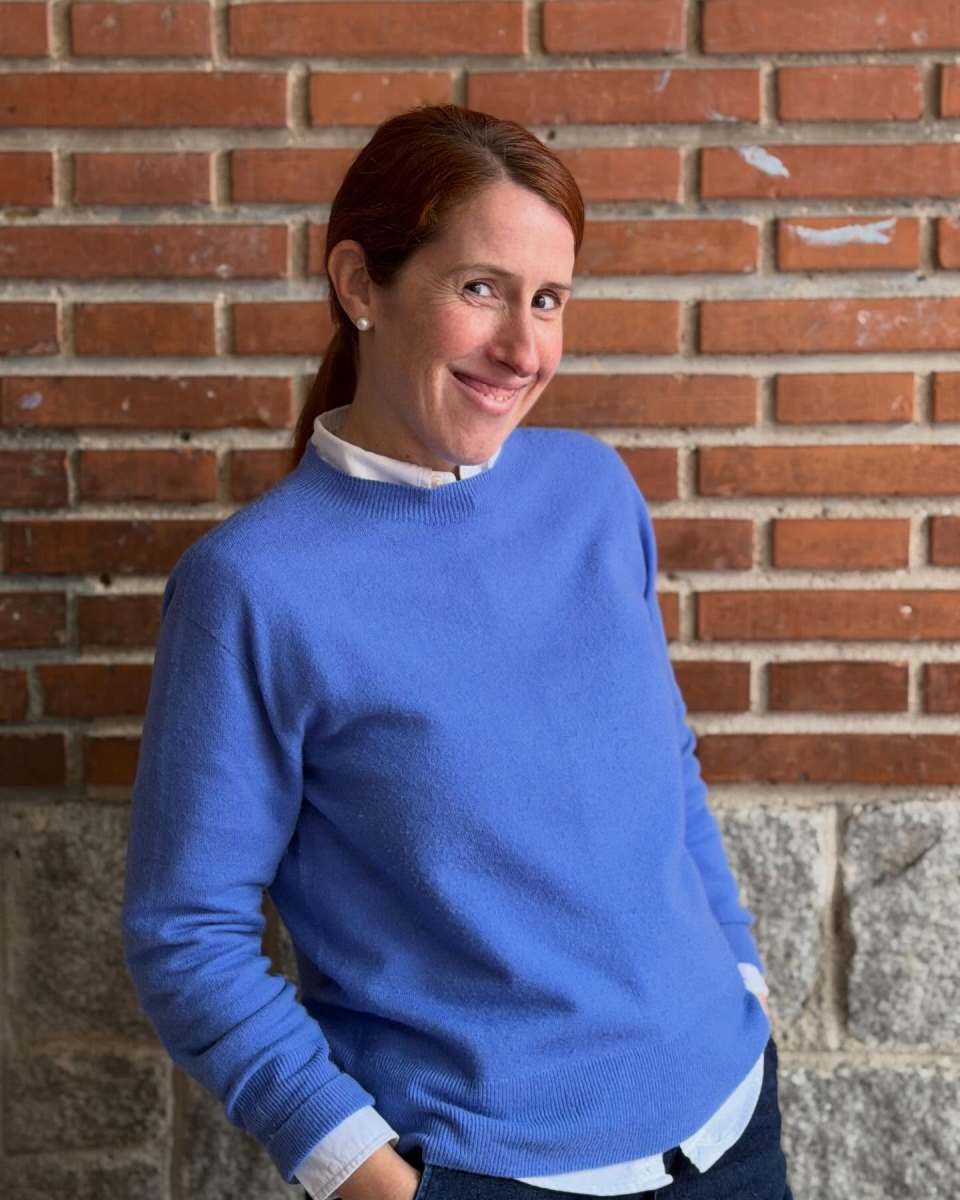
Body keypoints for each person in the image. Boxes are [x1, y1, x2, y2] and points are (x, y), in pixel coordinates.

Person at [121, 104, 793, 1200]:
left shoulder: (593, 494)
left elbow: (662, 762)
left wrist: (740, 978)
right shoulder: (250, 588)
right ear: (360, 283)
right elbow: (185, 934)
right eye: (481, 288)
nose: (524, 349)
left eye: (549, 299)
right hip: (480, 1169)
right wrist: (360, 1170)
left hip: (730, 1124)